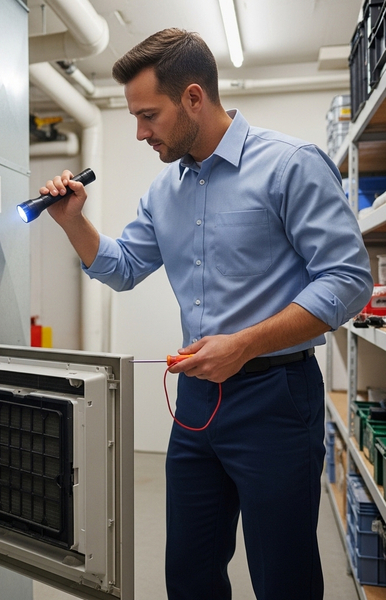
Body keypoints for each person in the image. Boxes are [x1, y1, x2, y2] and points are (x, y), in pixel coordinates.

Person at [39, 28, 373, 600]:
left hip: (276, 394)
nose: (140, 132)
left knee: (283, 573)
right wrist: (73, 220)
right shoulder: (163, 192)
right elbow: (121, 268)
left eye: (149, 115)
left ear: (194, 97)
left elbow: (348, 280)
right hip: (196, 398)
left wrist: (243, 344)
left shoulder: (290, 165)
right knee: (190, 569)